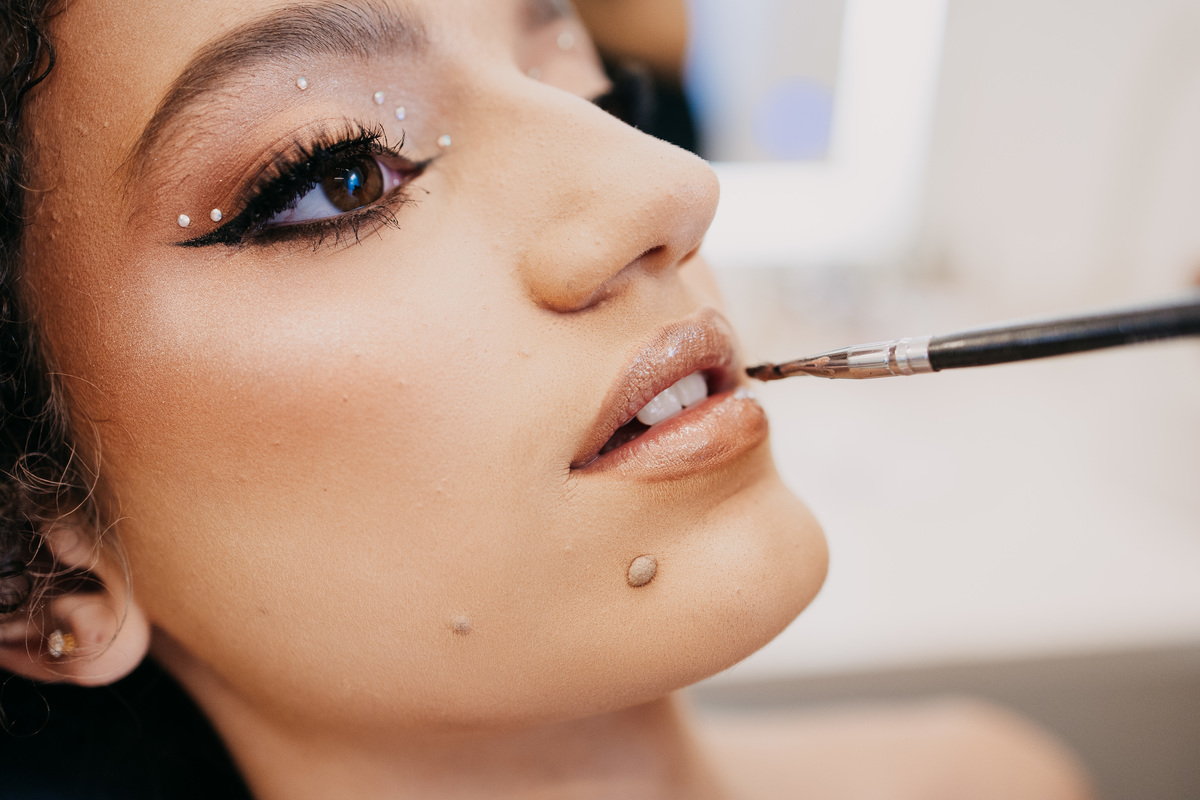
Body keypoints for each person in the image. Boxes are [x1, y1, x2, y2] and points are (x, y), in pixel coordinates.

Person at [0, 1, 1093, 797]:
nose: (665, 186)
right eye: (338, 175)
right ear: (38, 561)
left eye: (575, 79)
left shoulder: (995, 777)